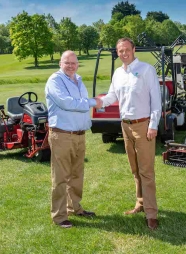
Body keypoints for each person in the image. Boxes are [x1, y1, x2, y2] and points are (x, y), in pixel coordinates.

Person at [100, 38, 161, 230]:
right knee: (135, 169)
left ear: (134, 50)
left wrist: (153, 125)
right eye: (120, 51)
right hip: (125, 126)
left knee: (147, 172)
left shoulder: (146, 70)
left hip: (143, 126)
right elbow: (111, 96)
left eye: (127, 49)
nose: (124, 53)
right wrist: (92, 102)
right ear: (117, 53)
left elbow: (156, 100)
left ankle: (151, 214)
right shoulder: (118, 73)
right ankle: (140, 203)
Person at [45, 50, 102, 228]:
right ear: (60, 63)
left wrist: (98, 105)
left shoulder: (78, 80)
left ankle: (75, 207)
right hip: (61, 135)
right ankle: (59, 216)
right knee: (61, 177)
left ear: (78, 64)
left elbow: (81, 105)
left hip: (79, 135)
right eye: (66, 62)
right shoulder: (55, 80)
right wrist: (94, 102)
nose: (70, 66)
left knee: (76, 175)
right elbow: (67, 103)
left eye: (73, 63)